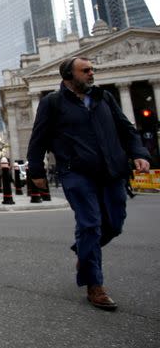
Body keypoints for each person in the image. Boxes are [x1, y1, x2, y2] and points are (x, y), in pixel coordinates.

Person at [27, 56, 150, 311]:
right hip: (77, 173)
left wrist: (139, 153)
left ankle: (84, 252)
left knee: (114, 224)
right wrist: (36, 171)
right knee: (90, 224)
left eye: (92, 69)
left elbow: (126, 129)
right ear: (68, 77)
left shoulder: (104, 98)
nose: (91, 74)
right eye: (85, 70)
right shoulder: (52, 103)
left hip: (112, 171)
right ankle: (95, 285)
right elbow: (38, 139)